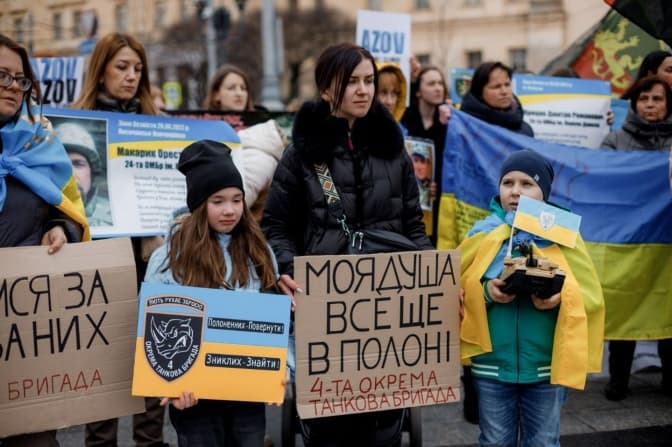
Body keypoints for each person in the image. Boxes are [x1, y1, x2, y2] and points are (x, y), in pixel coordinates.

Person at [262, 43, 433, 447]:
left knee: (384, 424)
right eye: (351, 81)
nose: (363, 90)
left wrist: (435, 279)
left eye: (369, 81)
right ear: (326, 89)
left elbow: (413, 225)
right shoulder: (300, 156)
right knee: (330, 428)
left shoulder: (395, 151)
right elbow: (275, 226)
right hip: (325, 311)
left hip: (388, 307)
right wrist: (286, 268)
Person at [459, 149, 605, 447]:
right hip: (491, 365)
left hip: (544, 366)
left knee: (542, 442)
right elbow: (456, 290)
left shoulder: (564, 237)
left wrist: (559, 298)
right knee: (494, 442)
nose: (515, 191)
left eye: (527, 183)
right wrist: (487, 292)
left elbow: (589, 296)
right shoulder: (482, 233)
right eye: (508, 182)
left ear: (544, 193)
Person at [146, 139, 283, 446]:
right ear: (198, 205)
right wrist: (170, 384)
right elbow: (155, 331)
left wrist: (280, 367)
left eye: (237, 200)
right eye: (218, 201)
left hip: (247, 395)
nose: (230, 210)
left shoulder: (258, 251)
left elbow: (278, 319)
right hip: (195, 400)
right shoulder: (168, 259)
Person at [72, 31, 166, 447]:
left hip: (150, 260)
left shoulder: (157, 126)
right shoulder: (75, 126)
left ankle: (150, 441)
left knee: (157, 354)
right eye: (122, 67)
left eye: (138, 69)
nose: (131, 76)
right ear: (101, 71)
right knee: (104, 361)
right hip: (98, 259)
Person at [0, 33, 89, 447]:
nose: (13, 87)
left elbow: (69, 206)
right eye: (1, 76)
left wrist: (61, 228)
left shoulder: (44, 144)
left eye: (20, 79)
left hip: (26, 336)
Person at [600, 75, 672, 401]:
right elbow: (600, 180)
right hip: (627, 241)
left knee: (667, 303)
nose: (650, 105)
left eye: (657, 98)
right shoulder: (615, 140)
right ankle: (618, 380)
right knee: (625, 305)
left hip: (666, 242)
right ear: (633, 103)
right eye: (643, 99)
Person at [400, 65, 450, 245]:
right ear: (418, 91)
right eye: (431, 83)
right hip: (408, 202)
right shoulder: (404, 119)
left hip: (437, 205)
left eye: (440, 83)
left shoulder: (449, 121)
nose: (438, 88)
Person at [54, 122, 112, 227]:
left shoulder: (113, 215)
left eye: (78, 164)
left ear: (92, 172)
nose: (71, 174)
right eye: (61, 165)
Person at [460, 61, 534, 137]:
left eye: (507, 85)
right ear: (479, 91)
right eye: (496, 87)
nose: (504, 92)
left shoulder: (525, 130)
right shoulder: (464, 128)